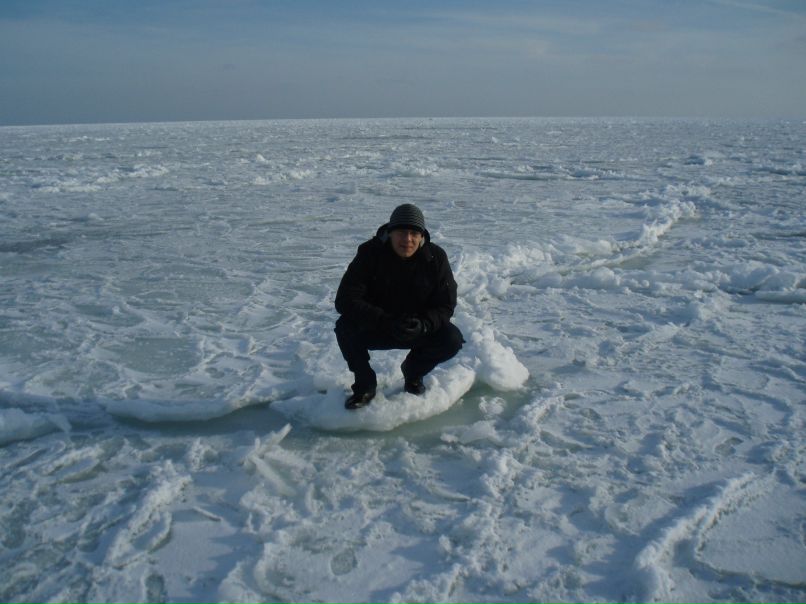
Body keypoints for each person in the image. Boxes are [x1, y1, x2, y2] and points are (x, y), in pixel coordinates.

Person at [335, 203, 464, 409]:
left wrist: (424, 325)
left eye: (414, 233)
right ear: (390, 232)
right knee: (345, 327)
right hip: (379, 325)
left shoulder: (436, 258)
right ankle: (365, 383)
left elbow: (446, 304)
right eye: (401, 232)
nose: (407, 239)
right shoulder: (369, 253)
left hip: (417, 328)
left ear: (422, 236)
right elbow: (345, 300)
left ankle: (413, 373)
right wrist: (384, 320)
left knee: (452, 339)